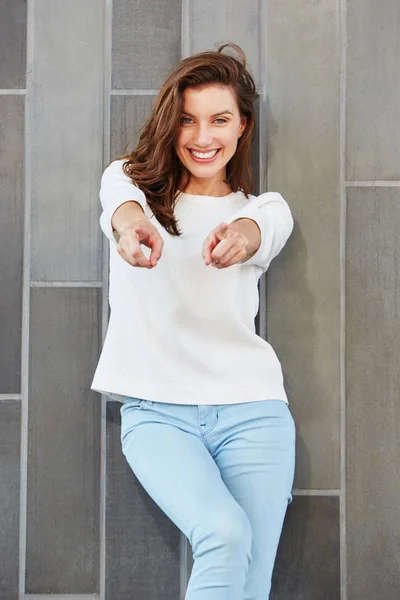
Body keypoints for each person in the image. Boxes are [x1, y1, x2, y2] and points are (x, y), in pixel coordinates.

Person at [91, 43, 296, 600]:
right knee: (224, 534)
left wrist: (240, 237)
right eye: (188, 120)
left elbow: (260, 229)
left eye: (219, 120)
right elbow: (121, 204)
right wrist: (132, 230)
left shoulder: (263, 208)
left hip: (253, 412)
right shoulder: (129, 187)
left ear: (242, 125)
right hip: (158, 415)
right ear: (170, 124)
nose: (202, 137)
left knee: (251, 580)